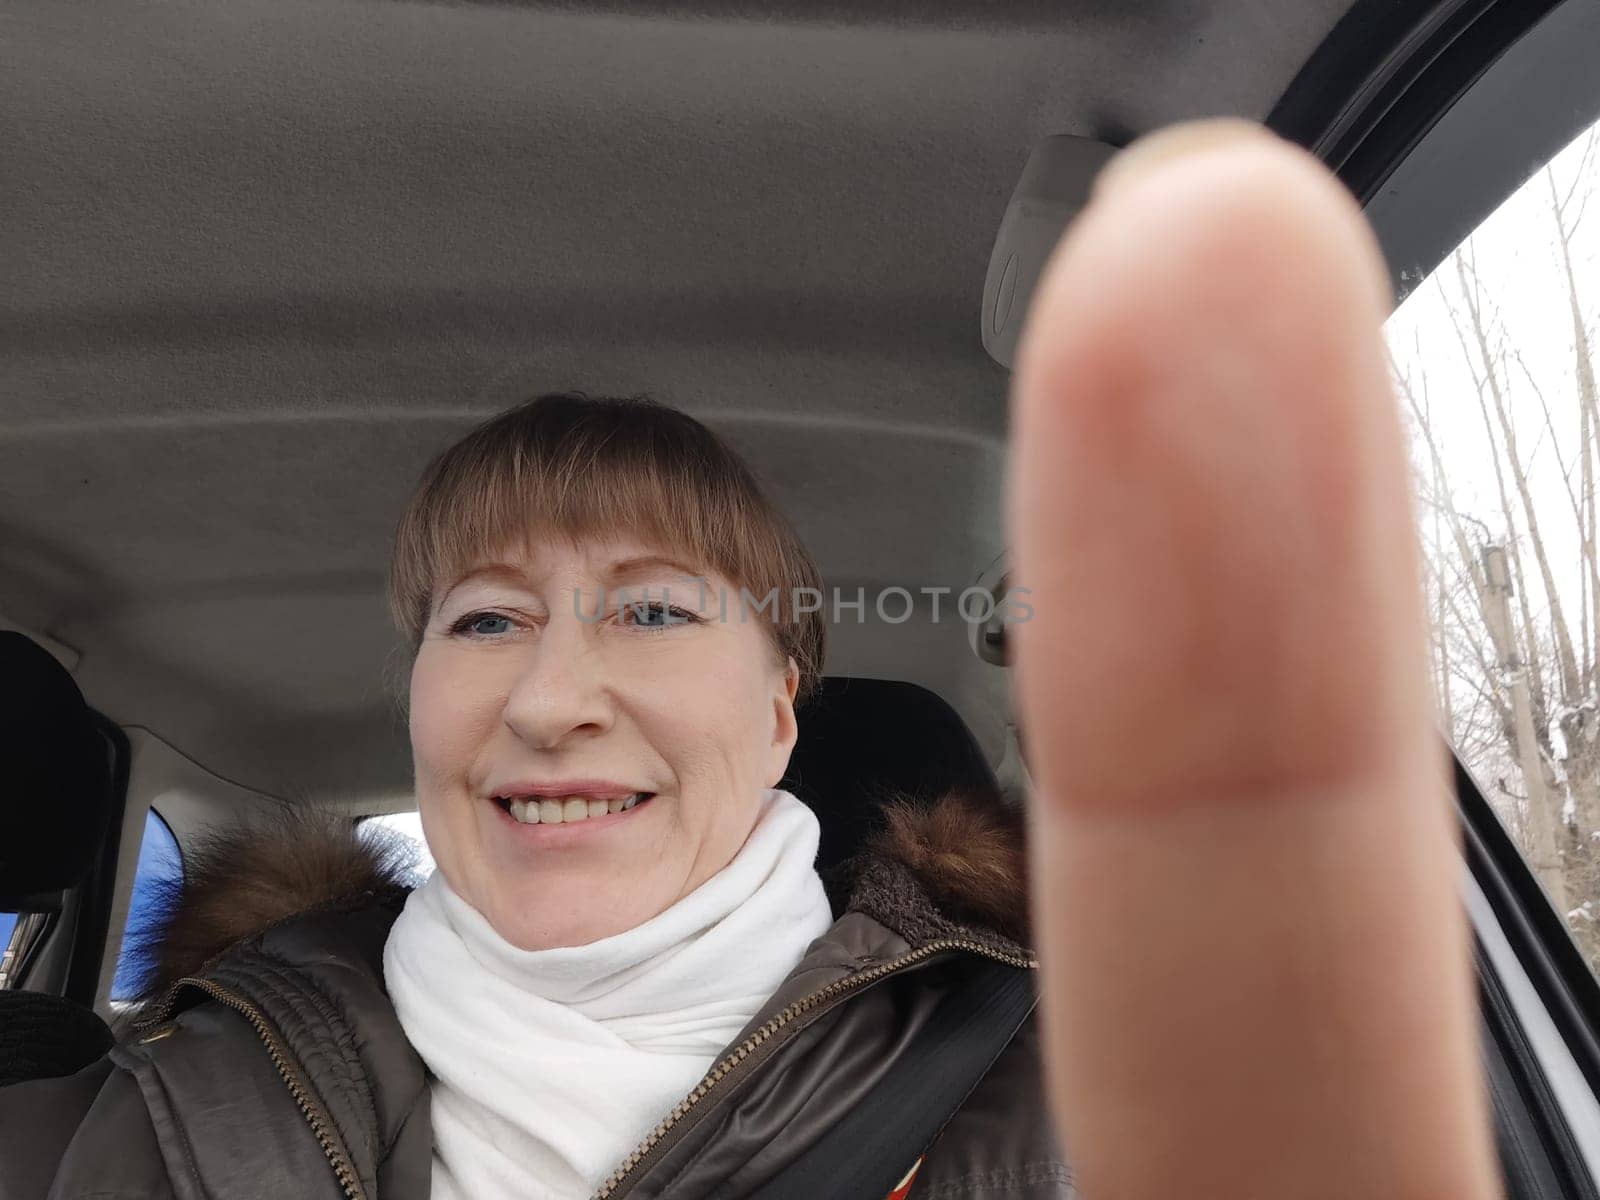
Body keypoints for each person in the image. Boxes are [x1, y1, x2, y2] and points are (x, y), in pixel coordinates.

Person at [0, 119, 1499, 1200]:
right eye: (483, 620)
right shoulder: (118, 1127)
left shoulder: (1082, 1107)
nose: (548, 697)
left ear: (786, 712)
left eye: (653, 610)